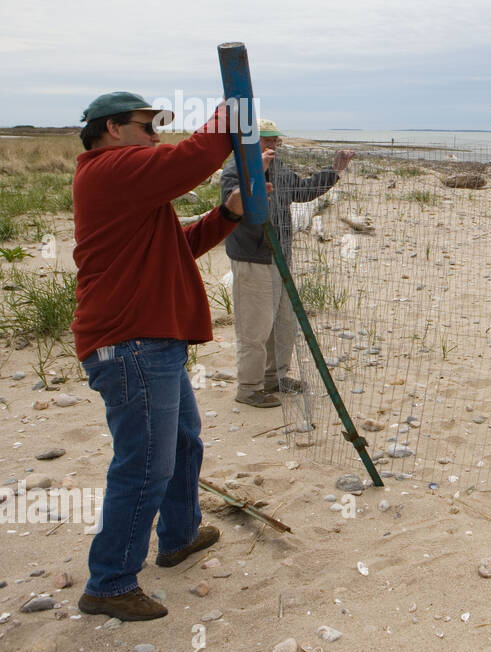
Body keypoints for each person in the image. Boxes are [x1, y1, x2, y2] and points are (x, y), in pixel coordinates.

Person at [72, 92, 243, 621]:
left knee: (184, 443)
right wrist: (232, 108)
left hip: (148, 344)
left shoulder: (124, 183)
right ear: (112, 130)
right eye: (147, 127)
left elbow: (179, 246)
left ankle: (179, 537)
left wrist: (226, 215)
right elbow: (191, 158)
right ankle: (110, 582)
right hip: (131, 345)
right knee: (145, 465)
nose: (156, 137)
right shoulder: (109, 170)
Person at [221, 119, 354, 407]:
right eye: (267, 140)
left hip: (280, 258)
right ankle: (249, 388)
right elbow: (234, 208)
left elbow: (302, 191)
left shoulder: (277, 167)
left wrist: (335, 171)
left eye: (275, 141)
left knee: (284, 323)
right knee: (254, 328)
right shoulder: (236, 170)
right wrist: (258, 175)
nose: (273, 146)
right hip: (252, 258)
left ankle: (275, 377)